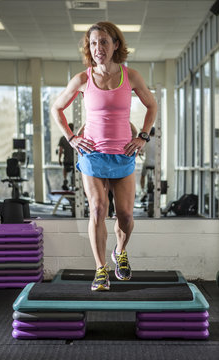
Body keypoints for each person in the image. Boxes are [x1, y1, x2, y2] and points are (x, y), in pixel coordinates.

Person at [51, 21, 157, 291]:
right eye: (94, 43)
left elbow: (152, 105)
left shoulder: (130, 76)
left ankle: (120, 251)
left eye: (104, 42)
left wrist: (142, 136)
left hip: (123, 153)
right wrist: (72, 137)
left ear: (116, 45)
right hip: (92, 154)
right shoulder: (83, 79)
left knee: (125, 216)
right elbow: (57, 108)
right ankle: (100, 270)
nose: (98, 48)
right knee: (98, 209)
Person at [140, 127, 156, 201]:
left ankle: (143, 191)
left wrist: (141, 153)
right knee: (156, 176)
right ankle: (155, 187)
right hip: (156, 164)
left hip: (147, 163)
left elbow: (142, 151)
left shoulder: (146, 141)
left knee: (143, 176)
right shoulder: (157, 140)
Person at [58, 123, 74, 190]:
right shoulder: (75, 138)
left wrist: (59, 159)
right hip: (74, 160)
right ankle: (73, 183)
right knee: (74, 172)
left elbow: (60, 150)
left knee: (65, 168)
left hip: (67, 160)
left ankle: (65, 179)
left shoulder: (63, 138)